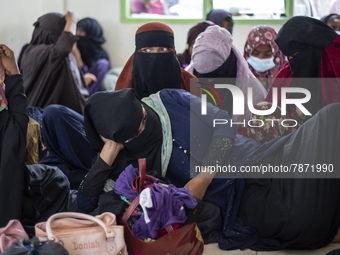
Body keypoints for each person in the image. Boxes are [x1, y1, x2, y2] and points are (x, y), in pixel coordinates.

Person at [75, 87, 340, 251]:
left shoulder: (169, 98)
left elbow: (223, 120)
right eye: (136, 133)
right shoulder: (125, 170)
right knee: (304, 218)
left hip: (259, 157)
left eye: (144, 117)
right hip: (240, 200)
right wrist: (105, 160)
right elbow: (85, 207)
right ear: (114, 139)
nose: (146, 127)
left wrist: (203, 178)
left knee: (331, 118)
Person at [0, 44, 70, 235]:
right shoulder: (6, 124)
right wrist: (13, 73)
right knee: (56, 177)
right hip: (9, 216)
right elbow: (18, 123)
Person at [187, 25, 267, 124]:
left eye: (215, 75)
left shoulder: (254, 93)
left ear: (229, 64)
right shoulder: (185, 82)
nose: (210, 81)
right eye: (203, 77)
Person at [265, 16, 340, 121]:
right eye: (289, 58)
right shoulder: (287, 72)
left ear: (311, 50)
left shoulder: (335, 67)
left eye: (295, 56)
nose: (292, 62)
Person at [20, 11, 88, 114]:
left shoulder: (50, 54)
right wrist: (72, 20)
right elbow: (64, 47)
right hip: (44, 118)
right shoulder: (38, 52)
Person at [114, 21, 201, 98]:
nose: (155, 56)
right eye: (147, 50)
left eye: (163, 49)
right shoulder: (125, 85)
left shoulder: (190, 82)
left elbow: (202, 114)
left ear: (173, 51)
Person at [72, 17, 110, 95]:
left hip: (88, 94)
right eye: (77, 32)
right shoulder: (73, 50)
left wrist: (84, 70)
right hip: (74, 88)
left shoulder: (101, 55)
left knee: (103, 63)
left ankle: (85, 100)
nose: (78, 36)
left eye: (81, 32)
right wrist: (75, 54)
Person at [243, 25, 287, 91]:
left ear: (276, 54)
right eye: (255, 53)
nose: (261, 58)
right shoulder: (239, 73)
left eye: (267, 54)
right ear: (248, 51)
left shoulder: (286, 75)